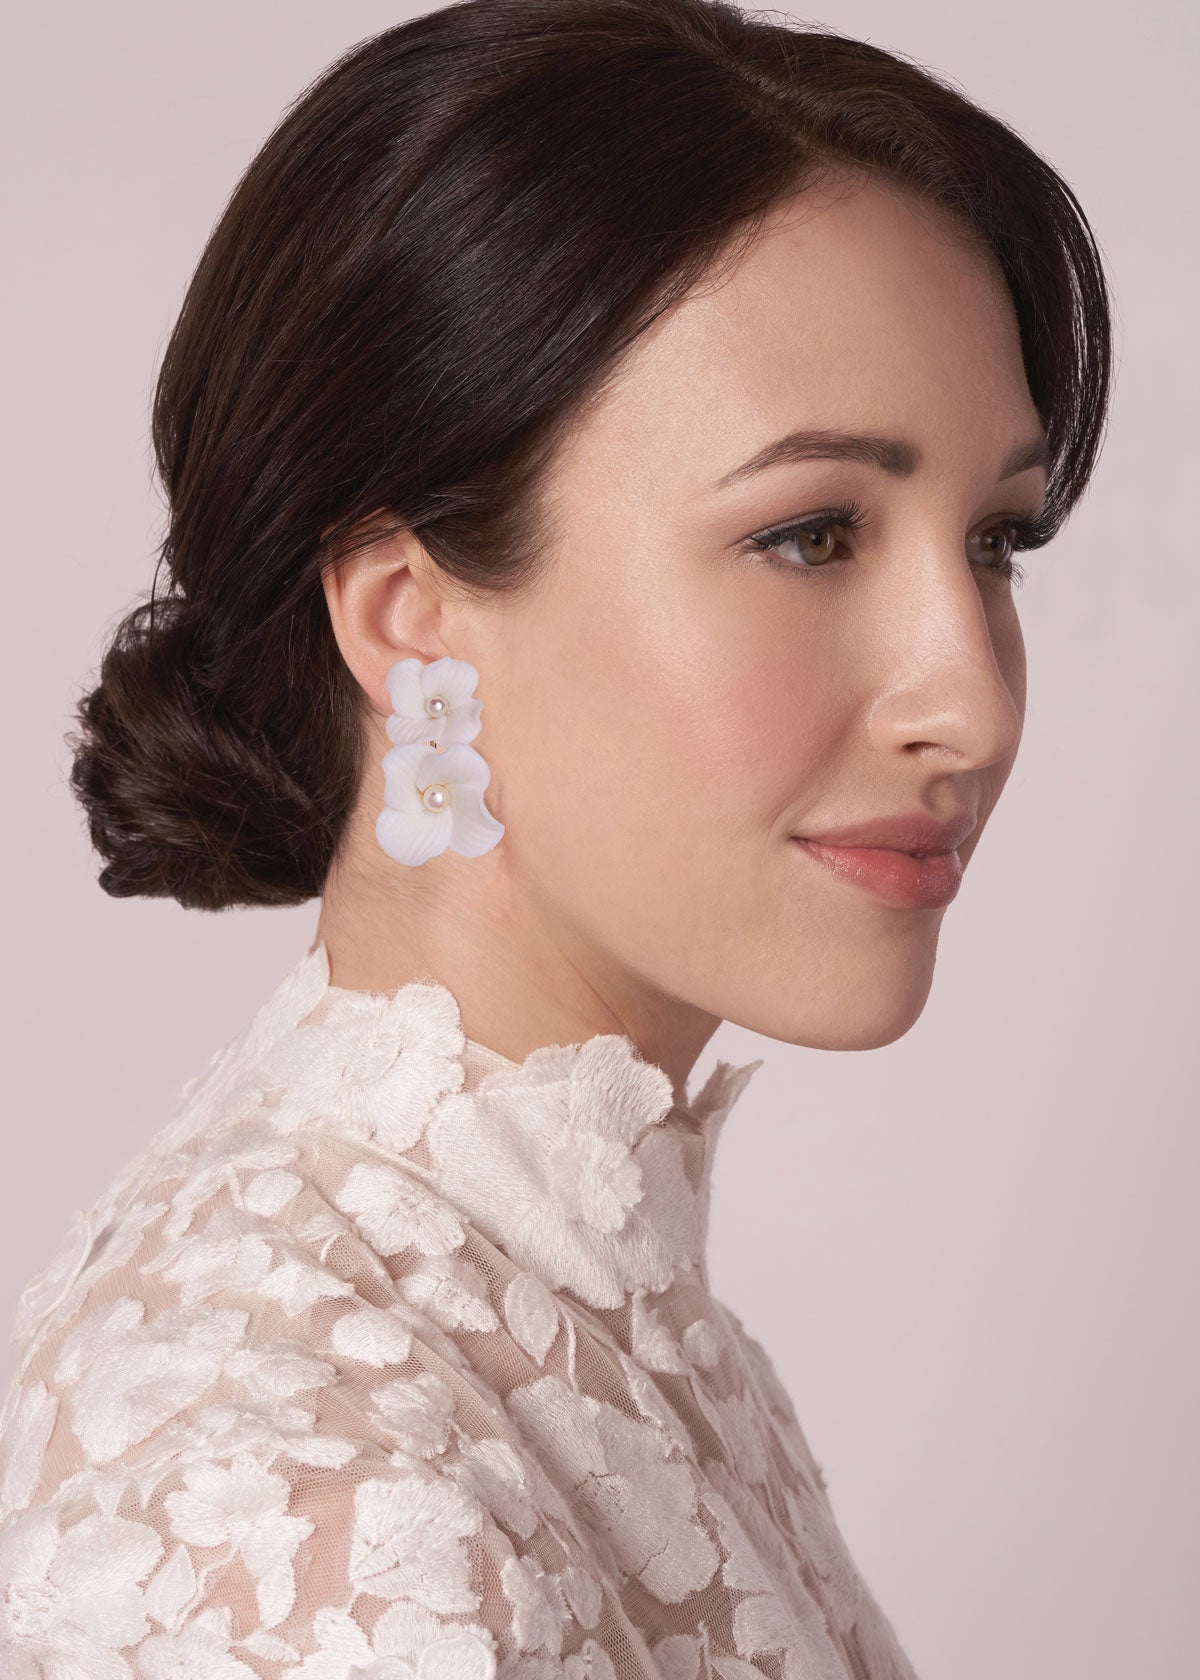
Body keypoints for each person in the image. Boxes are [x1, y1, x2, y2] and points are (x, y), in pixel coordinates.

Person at [0, 1, 1113, 1675]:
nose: (972, 702)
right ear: (411, 619)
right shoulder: (307, 1510)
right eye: (814, 534)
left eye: (996, 541)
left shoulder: (597, 1324)